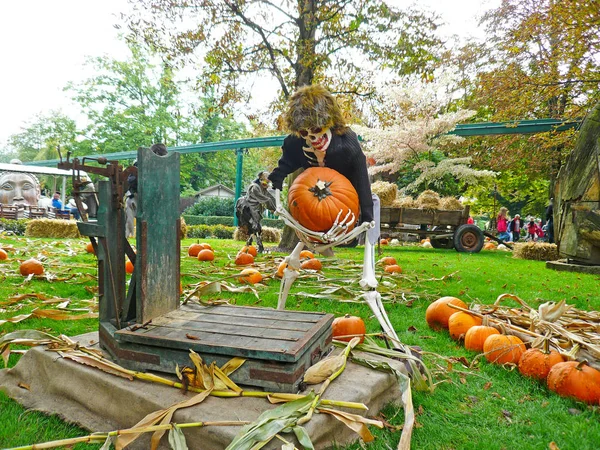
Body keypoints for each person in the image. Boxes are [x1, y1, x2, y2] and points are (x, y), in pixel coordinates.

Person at [268, 84, 374, 226]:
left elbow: (361, 179)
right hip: (313, 200)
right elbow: (284, 166)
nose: (313, 138)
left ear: (330, 124)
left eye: (316, 129)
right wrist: (275, 183)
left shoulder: (347, 142)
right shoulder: (295, 144)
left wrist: (367, 216)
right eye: (305, 133)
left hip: (343, 199)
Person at [125, 143, 168, 238]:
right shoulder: (139, 162)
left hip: (154, 199)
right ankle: (129, 234)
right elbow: (131, 181)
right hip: (137, 196)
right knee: (131, 217)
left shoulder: (165, 165)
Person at [235, 171, 277, 253]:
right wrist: (273, 208)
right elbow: (265, 199)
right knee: (256, 227)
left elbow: (269, 197)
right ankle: (260, 246)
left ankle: (248, 245)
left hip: (256, 210)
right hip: (247, 209)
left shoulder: (263, 187)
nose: (268, 181)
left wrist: (277, 206)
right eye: (266, 178)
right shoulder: (254, 187)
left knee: (254, 227)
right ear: (261, 178)